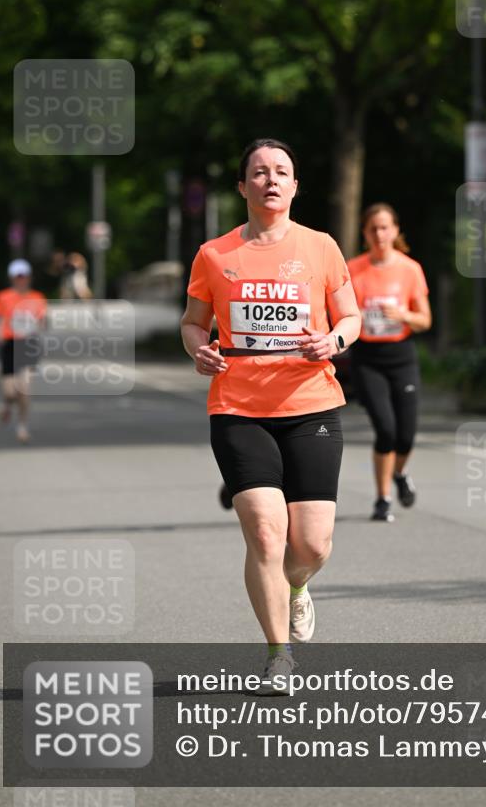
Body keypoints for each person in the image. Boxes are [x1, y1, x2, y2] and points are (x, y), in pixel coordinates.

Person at [180, 139, 360, 686]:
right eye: (259, 172)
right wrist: (200, 348)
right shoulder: (215, 254)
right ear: (243, 186)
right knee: (264, 532)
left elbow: (349, 316)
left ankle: (298, 587)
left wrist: (333, 341)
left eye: (282, 171)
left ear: (296, 185)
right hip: (238, 406)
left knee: (311, 544)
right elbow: (192, 322)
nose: (271, 180)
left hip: (311, 405)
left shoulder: (321, 246)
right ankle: (279, 653)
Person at [348, 204, 432, 522]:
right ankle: (383, 499)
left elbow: (425, 320)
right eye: (373, 229)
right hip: (368, 359)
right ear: (365, 234)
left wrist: (404, 315)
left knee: (406, 436)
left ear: (396, 230)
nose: (379, 234)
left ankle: (399, 473)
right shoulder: (353, 269)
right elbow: (340, 313)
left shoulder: (410, 269)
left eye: (385, 227)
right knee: (386, 430)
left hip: (402, 357)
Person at [0, 259, 47, 443]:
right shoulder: (3, 297)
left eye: (24, 276)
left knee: (24, 389)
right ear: (12, 278)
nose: (21, 280)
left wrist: (40, 326)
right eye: (18, 277)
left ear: (29, 277)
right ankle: (7, 405)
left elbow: (43, 321)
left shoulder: (38, 298)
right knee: (10, 392)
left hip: (28, 345)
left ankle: (22, 426)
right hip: (9, 345)